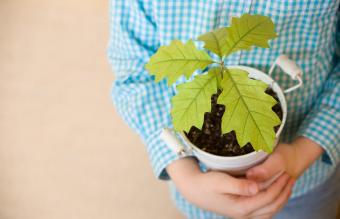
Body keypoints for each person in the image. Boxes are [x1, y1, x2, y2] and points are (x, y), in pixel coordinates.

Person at [107, 1, 340, 218]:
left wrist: (302, 152)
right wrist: (184, 174)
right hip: (197, 179)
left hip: (305, 177)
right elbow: (135, 71)